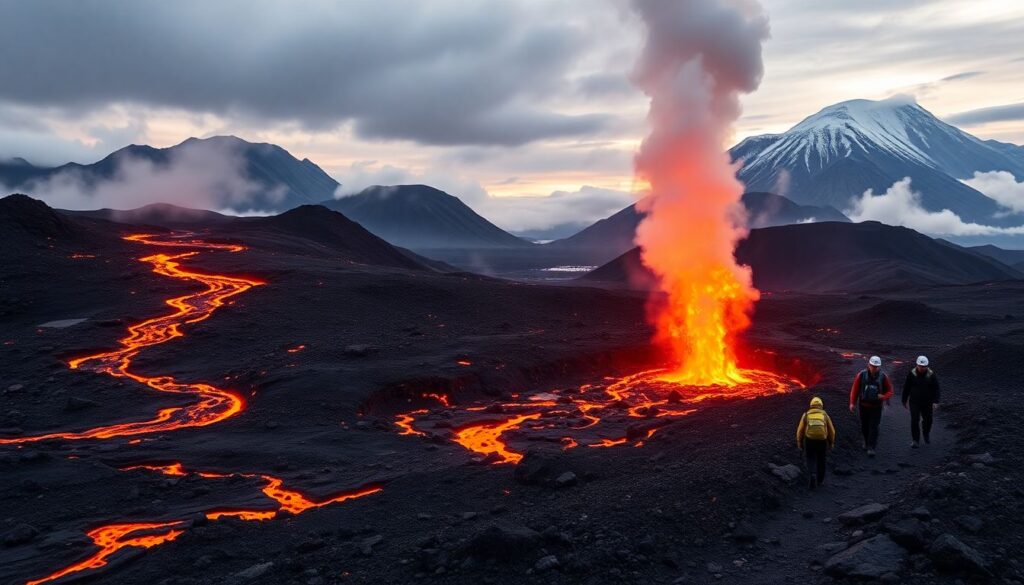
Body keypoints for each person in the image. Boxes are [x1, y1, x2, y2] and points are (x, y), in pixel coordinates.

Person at [848, 355, 893, 456]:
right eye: (873, 366)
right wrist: (852, 403)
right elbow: (854, 390)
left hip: (876, 407)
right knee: (865, 425)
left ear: (879, 367)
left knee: (874, 426)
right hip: (863, 405)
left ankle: (871, 447)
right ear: (869, 365)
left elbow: (890, 391)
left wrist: (883, 397)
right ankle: (866, 441)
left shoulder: (883, 377)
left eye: (876, 366)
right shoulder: (861, 375)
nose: (874, 368)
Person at [796, 396, 836, 489]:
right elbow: (832, 431)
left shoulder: (806, 415)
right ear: (821, 405)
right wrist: (831, 443)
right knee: (821, 459)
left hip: (810, 441)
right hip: (822, 441)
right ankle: (820, 481)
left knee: (810, 458)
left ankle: (812, 474)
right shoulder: (825, 415)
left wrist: (799, 442)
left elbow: (800, 430)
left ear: (811, 405)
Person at [902, 355, 940, 447]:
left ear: (927, 366)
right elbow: (906, 387)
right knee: (915, 420)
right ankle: (915, 440)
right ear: (917, 365)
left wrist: (935, 401)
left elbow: (936, 388)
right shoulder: (912, 373)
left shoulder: (931, 374)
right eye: (920, 366)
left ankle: (926, 433)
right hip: (914, 401)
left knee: (928, 420)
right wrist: (904, 400)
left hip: (927, 402)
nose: (922, 368)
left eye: (924, 366)